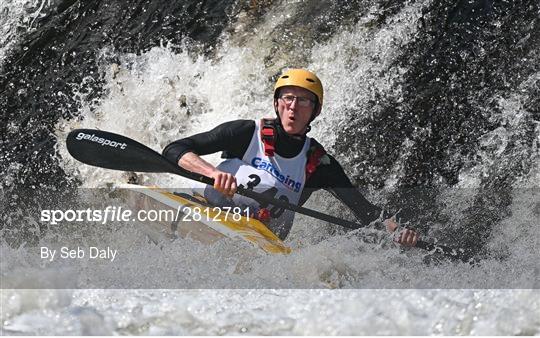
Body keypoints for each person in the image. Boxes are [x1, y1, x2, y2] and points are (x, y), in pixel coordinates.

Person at [163, 69, 418, 246]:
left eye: (304, 100)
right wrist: (213, 173)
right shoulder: (244, 133)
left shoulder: (319, 163)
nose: (293, 106)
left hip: (259, 239)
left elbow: (367, 212)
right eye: (288, 97)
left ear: (315, 111)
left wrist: (399, 231)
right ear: (277, 103)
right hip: (205, 209)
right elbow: (175, 149)